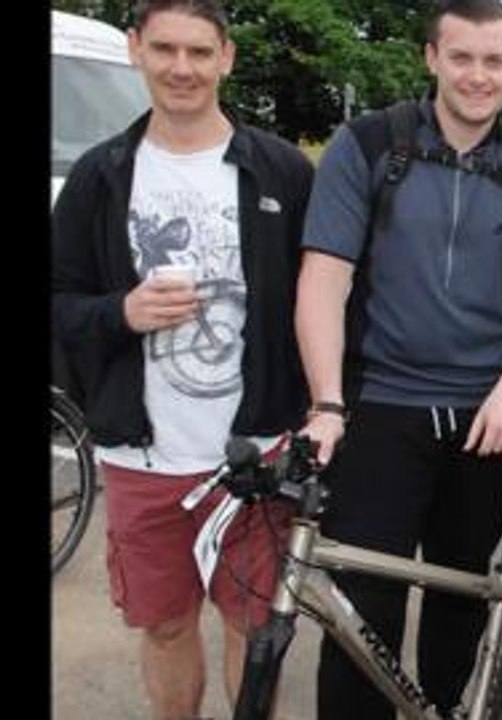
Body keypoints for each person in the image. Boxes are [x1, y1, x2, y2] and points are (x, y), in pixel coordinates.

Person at [294, 0, 502, 717]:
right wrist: (327, 401)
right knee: (361, 612)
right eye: (461, 58)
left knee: (461, 602)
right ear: (431, 59)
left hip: (490, 417)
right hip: (382, 407)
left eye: (494, 61)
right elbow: (324, 280)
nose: (477, 76)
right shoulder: (367, 146)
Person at [50, 1, 313, 717]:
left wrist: (323, 408)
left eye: (199, 52)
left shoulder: (283, 172)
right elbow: (60, 302)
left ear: (227, 57)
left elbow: (328, 303)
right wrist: (120, 312)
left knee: (253, 629)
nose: (181, 68)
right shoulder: (100, 177)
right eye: (164, 48)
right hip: (142, 458)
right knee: (165, 626)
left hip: (257, 451)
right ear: (136, 50)